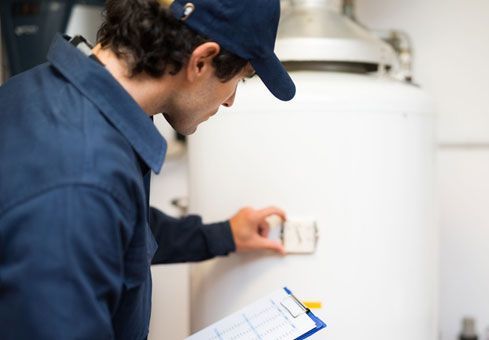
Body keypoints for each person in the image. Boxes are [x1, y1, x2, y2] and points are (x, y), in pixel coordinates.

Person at [0, 0, 295, 338]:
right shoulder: (80, 180)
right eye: (239, 80)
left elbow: (120, 227)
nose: (229, 101)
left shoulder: (43, 94)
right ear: (201, 61)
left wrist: (222, 236)